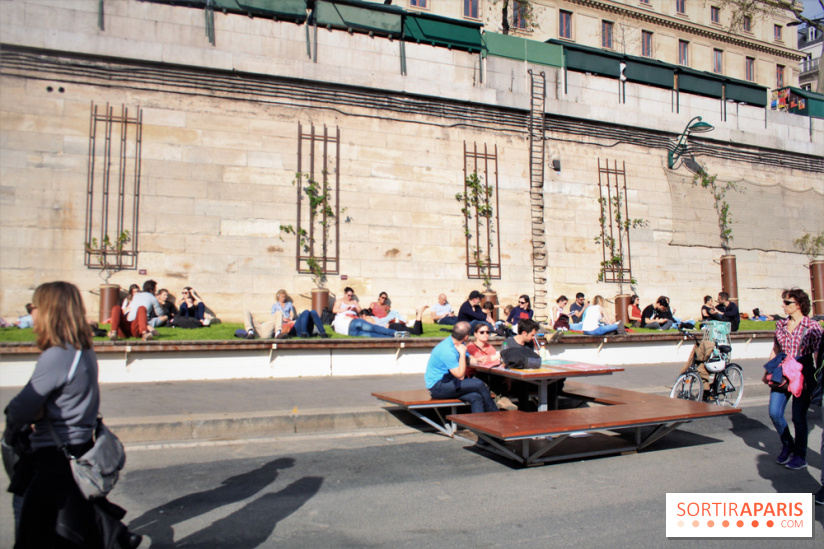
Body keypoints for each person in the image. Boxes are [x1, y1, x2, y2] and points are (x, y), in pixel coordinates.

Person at [4, 281, 141, 548]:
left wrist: (34, 411)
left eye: (33, 306)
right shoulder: (82, 349)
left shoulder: (58, 355)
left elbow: (19, 409)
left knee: (37, 532)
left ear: (47, 310)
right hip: (74, 449)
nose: (31, 313)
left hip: (55, 456)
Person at [763, 288, 822, 471]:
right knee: (774, 412)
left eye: (787, 302)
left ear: (799, 305)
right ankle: (788, 443)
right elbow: (776, 348)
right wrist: (768, 369)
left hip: (802, 372)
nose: (784, 305)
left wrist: (818, 380)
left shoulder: (812, 327)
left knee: (798, 417)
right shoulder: (780, 325)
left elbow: (818, 355)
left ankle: (800, 455)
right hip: (781, 371)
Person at [425, 321, 497, 414]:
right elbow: (460, 376)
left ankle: (478, 424)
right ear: (466, 337)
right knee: (479, 384)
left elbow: (468, 358)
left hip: (450, 381)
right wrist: (462, 354)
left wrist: (477, 360)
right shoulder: (447, 350)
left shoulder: (458, 343)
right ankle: (495, 413)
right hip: (438, 387)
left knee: (476, 397)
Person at [467, 323, 517, 411]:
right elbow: (481, 361)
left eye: (488, 332)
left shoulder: (490, 347)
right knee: (492, 377)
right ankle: (503, 400)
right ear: (475, 334)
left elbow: (497, 362)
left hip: (488, 374)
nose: (485, 334)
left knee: (500, 377)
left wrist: (507, 377)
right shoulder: (471, 347)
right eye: (482, 332)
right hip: (473, 375)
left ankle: (503, 400)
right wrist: (494, 358)